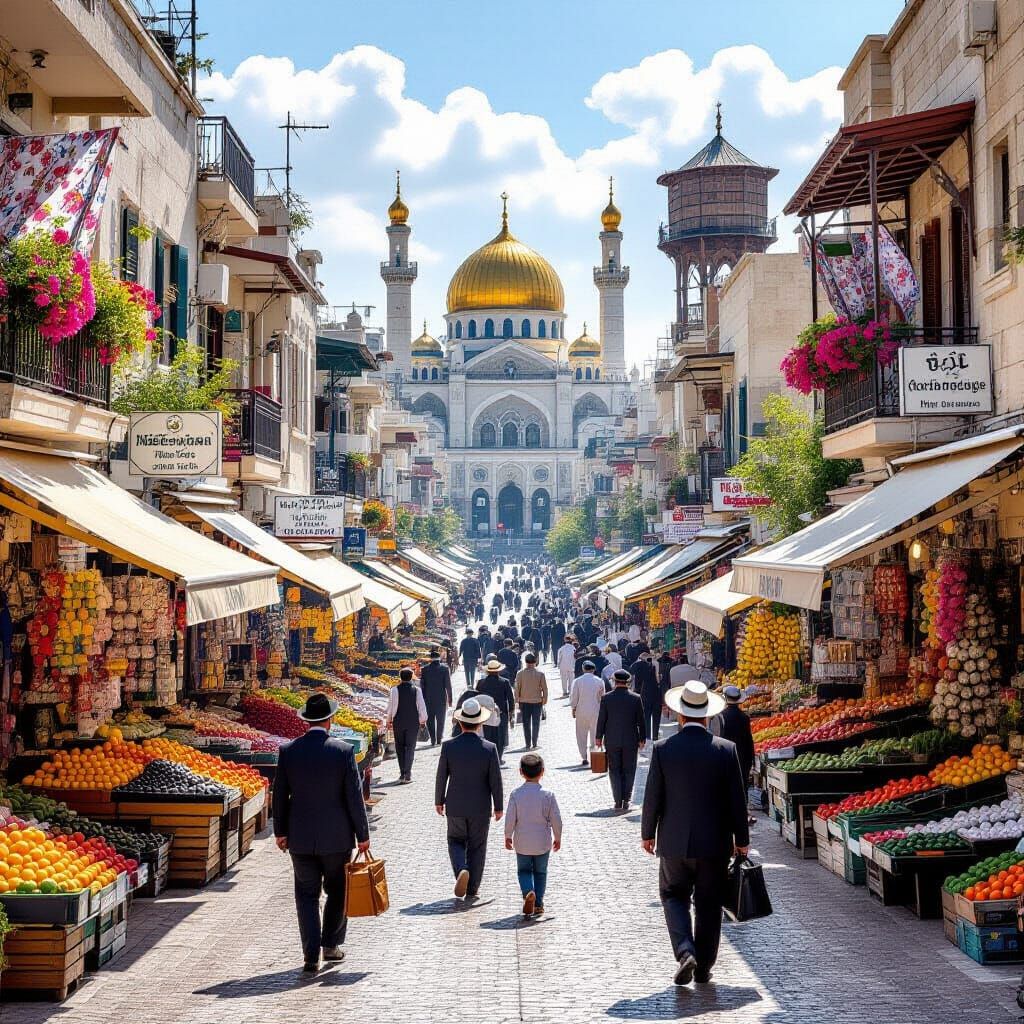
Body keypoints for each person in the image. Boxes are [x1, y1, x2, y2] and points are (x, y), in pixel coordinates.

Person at [641, 681, 750, 987]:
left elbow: (653, 796)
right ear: (707, 716)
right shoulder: (725, 750)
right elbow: (736, 800)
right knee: (708, 904)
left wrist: (647, 833)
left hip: (673, 842)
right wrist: (741, 840)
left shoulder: (664, 749)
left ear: (679, 715)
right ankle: (703, 967)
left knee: (673, 896)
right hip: (714, 844)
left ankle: (685, 950)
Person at [273, 693, 371, 972]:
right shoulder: (341, 751)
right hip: (337, 838)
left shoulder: (289, 751)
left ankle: (310, 956)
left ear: (307, 722)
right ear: (329, 721)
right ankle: (330, 945)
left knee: (306, 895)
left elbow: (279, 796)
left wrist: (280, 831)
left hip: (300, 839)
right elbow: (354, 797)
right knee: (338, 891)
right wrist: (362, 834)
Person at [435, 698, 504, 901]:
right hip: (480, 807)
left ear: (460, 722)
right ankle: (472, 888)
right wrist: (498, 806)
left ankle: (461, 870)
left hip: (455, 804)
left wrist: (439, 800)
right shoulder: (489, 748)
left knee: (455, 841)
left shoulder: (448, 747)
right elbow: (495, 781)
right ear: (480, 723)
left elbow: (441, 776)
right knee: (477, 846)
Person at [504, 753, 562, 917]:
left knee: (523, 871)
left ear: (521, 772)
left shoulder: (516, 794)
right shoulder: (548, 795)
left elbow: (510, 818)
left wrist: (508, 835)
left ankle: (528, 891)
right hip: (542, 842)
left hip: (522, 841)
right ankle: (538, 904)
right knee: (541, 872)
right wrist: (558, 837)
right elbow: (556, 819)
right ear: (542, 771)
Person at [596, 668, 647, 811]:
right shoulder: (636, 698)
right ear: (628, 682)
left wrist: (598, 737)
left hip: (611, 739)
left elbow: (602, 720)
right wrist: (642, 738)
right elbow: (641, 721)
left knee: (614, 770)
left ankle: (617, 801)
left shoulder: (606, 698)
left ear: (614, 681)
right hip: (631, 740)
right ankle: (627, 799)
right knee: (629, 770)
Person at [714, 685, 755, 822]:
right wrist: (751, 759)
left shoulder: (721, 716)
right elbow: (749, 740)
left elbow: (718, 737)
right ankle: (743, 814)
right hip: (742, 756)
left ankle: (726, 813)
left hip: (725, 755)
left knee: (725, 786)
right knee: (742, 786)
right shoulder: (744, 717)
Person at [387, 666, 428, 783]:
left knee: (399, 748)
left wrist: (388, 720)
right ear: (411, 678)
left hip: (398, 722)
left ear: (400, 677)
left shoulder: (394, 690)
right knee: (410, 748)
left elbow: (391, 707)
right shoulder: (416, 690)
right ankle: (408, 774)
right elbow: (421, 707)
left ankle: (402, 773)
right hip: (412, 722)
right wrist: (422, 721)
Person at [478, 659, 516, 764]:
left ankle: (488, 758)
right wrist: (511, 712)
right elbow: (510, 699)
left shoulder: (481, 683)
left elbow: (477, 697)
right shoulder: (505, 682)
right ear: (499, 671)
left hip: (485, 713)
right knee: (500, 737)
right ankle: (498, 758)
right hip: (501, 713)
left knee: (487, 736)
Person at [570, 660, 606, 767]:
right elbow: (602, 697)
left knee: (581, 734)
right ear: (594, 669)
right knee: (595, 734)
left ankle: (584, 757)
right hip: (596, 710)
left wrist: (573, 708)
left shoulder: (577, 681)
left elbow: (574, 697)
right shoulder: (600, 681)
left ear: (583, 669)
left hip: (581, 710)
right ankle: (594, 756)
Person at [514, 651, 548, 750]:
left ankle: (527, 743)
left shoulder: (520, 674)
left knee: (526, 723)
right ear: (535, 661)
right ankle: (535, 743)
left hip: (524, 702)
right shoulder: (540, 674)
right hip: (537, 701)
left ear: (525, 662)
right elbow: (544, 688)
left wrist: (517, 701)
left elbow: (517, 688)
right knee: (536, 723)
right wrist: (544, 700)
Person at [420, 649, 453, 747]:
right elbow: (448, 685)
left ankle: (433, 739)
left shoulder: (424, 669)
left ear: (430, 659)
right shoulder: (444, 669)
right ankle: (439, 739)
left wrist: (423, 699)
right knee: (440, 719)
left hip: (428, 699)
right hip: (441, 699)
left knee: (430, 720)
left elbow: (422, 686)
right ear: (439, 658)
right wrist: (450, 699)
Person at [633, 650, 666, 741]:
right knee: (656, 716)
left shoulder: (638, 666)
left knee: (646, 717)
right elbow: (659, 681)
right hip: (656, 693)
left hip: (645, 694)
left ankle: (647, 737)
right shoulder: (656, 665)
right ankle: (655, 736)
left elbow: (636, 683)